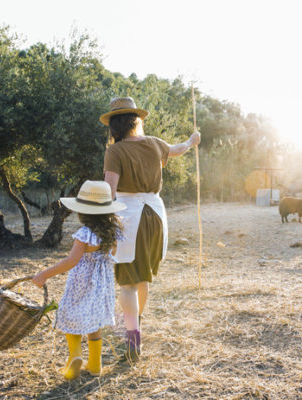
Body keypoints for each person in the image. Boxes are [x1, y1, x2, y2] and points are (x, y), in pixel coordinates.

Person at [100, 97, 200, 361]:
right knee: (142, 277)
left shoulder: (115, 151)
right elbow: (177, 149)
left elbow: (109, 192)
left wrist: (102, 224)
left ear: (114, 126)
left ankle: (133, 339)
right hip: (155, 216)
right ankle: (136, 324)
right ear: (136, 120)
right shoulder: (155, 143)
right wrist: (192, 141)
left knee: (128, 282)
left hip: (128, 217)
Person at [32, 180, 125, 380]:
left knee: (69, 312)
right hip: (103, 283)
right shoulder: (114, 230)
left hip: (81, 282)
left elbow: (71, 261)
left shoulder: (84, 233)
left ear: (83, 211)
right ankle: (95, 364)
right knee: (95, 319)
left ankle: (74, 356)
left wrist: (44, 274)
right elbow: (113, 253)